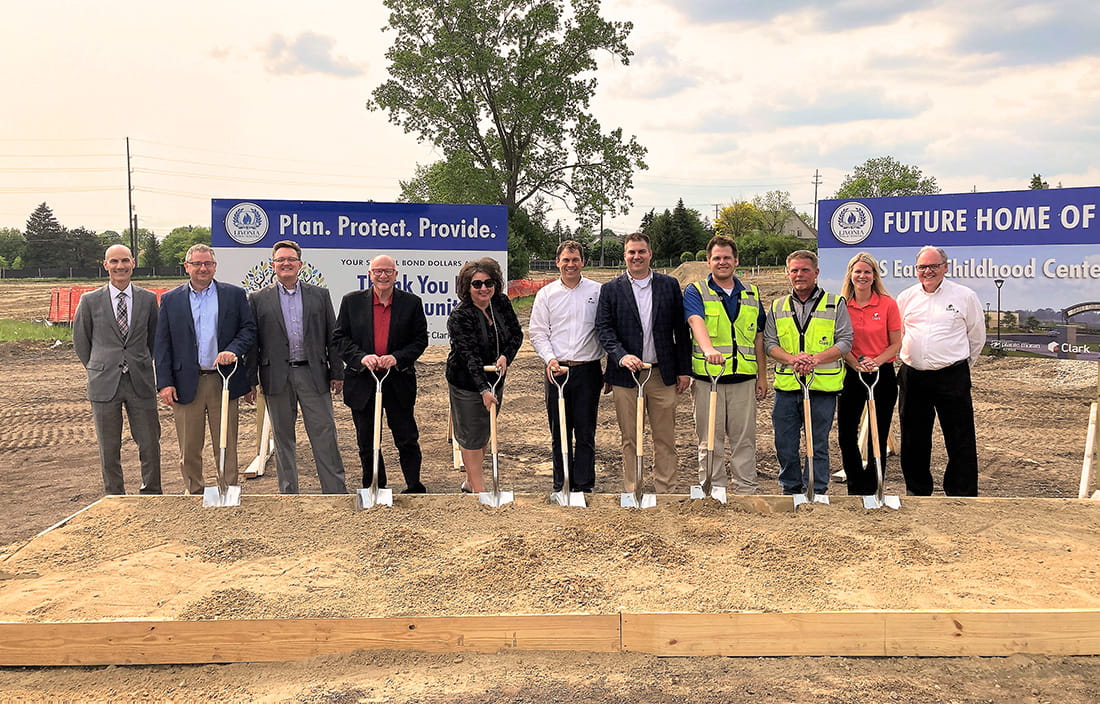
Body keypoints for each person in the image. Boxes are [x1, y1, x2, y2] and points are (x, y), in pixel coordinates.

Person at [155, 244, 256, 495]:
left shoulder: (234, 295)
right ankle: (195, 489)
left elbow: (248, 330)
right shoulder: (170, 300)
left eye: (208, 264)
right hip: (185, 382)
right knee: (189, 445)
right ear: (187, 266)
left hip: (224, 380)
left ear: (215, 266)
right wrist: (165, 382)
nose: (203, 268)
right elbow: (162, 344)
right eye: (197, 264)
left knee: (225, 442)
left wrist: (233, 349)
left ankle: (228, 490)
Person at [595, 232, 691, 494]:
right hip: (626, 376)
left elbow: (681, 332)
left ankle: (666, 489)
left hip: (662, 374)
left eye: (641, 252)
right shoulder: (611, 289)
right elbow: (604, 329)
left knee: (665, 438)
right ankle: (632, 490)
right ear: (625, 256)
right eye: (631, 252)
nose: (636, 257)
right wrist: (620, 355)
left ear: (650, 254)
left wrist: (684, 370)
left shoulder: (668, 285)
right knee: (630, 439)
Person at [248, 240, 347, 494]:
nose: (286, 263)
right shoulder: (258, 299)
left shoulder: (320, 295)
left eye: (291, 259)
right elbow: (253, 343)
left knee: (324, 434)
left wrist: (337, 372)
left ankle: (334, 491)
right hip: (275, 377)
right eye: (281, 260)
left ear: (300, 264)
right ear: (273, 265)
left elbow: (332, 336)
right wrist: (250, 380)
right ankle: (288, 493)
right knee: (283, 439)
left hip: (313, 374)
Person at [333, 254, 429, 493]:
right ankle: (375, 485)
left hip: (398, 380)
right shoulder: (351, 302)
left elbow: (420, 340)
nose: (383, 275)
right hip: (363, 382)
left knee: (406, 437)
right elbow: (339, 337)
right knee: (366, 440)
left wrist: (397, 357)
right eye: (378, 271)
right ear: (369, 274)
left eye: (388, 271)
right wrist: (361, 357)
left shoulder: (411, 303)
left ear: (396, 274)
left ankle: (413, 485)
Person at [73, 244, 162, 495]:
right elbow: (82, 341)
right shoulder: (89, 301)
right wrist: (98, 367)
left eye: (124, 261)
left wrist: (140, 362)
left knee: (149, 442)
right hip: (104, 383)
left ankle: (152, 492)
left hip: (140, 381)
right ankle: (115, 495)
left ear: (133, 263)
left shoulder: (147, 299)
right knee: (109, 446)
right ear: (106, 265)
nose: (120, 266)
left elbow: (154, 339)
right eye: (114, 262)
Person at [896, 245, 985, 496]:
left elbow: (976, 337)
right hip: (913, 376)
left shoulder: (964, 296)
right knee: (913, 439)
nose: (928, 271)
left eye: (934, 266)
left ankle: (961, 493)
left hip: (951, 377)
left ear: (945, 267)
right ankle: (917, 490)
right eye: (923, 267)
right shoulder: (905, 297)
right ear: (916, 270)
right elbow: (899, 335)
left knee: (960, 438)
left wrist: (960, 367)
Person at [764, 249, 853, 496]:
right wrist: (793, 359)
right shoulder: (778, 305)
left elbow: (845, 341)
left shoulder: (835, 304)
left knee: (818, 444)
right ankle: (790, 489)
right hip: (788, 387)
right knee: (785, 444)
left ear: (816, 273)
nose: (799, 275)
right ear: (787, 273)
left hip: (822, 387)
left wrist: (815, 360)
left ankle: (816, 488)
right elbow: (770, 343)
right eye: (794, 270)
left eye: (805, 270)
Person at [684, 235, 767, 495]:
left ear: (736, 260)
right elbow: (696, 321)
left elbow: (758, 338)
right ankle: (713, 489)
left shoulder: (751, 293)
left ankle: (746, 489)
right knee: (710, 440)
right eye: (717, 258)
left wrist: (762, 377)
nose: (722, 262)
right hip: (709, 379)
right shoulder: (695, 291)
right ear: (708, 262)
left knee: (745, 441)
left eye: (727, 258)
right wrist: (709, 350)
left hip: (743, 379)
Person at [528, 240, 604, 494]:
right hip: (557, 370)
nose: (570, 265)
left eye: (575, 260)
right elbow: (538, 333)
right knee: (559, 430)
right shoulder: (546, 295)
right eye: (565, 260)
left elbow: (605, 330)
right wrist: (550, 359)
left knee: (585, 431)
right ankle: (562, 484)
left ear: (583, 262)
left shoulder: (598, 291)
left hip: (588, 371)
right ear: (557, 261)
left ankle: (583, 486)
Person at [445, 257, 523, 493]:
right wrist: (483, 390)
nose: (483, 289)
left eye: (488, 283)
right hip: (467, 382)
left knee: (485, 430)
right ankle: (479, 491)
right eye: (477, 284)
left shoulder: (500, 303)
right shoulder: (460, 316)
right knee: (471, 434)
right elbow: (469, 357)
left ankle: (470, 481)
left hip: (495, 377)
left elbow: (516, 335)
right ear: (467, 287)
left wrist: (505, 357)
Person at [836, 252, 901, 496]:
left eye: (867, 272)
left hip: (881, 373)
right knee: (846, 432)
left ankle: (874, 486)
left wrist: (876, 362)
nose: (862, 276)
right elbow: (840, 342)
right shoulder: (842, 304)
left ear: (874, 276)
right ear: (850, 276)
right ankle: (856, 484)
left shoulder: (887, 304)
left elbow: (896, 344)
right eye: (858, 272)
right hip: (852, 373)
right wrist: (854, 363)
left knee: (878, 432)